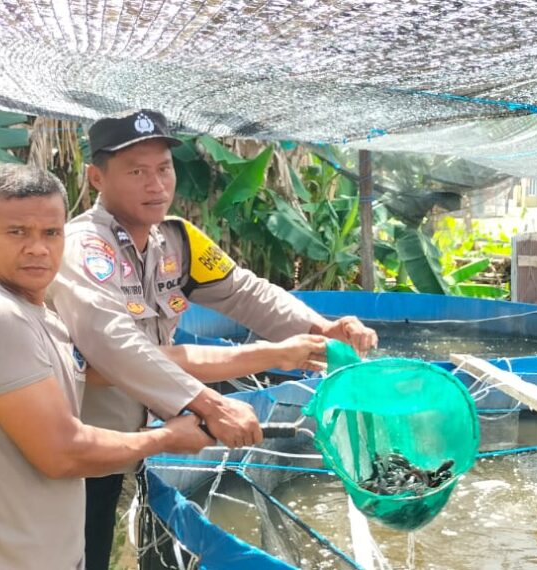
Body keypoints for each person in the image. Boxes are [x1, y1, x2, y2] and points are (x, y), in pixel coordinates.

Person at [48, 109, 378, 569]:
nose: (156, 185)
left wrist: (320, 329)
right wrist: (213, 404)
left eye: (163, 169)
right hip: (79, 454)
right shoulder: (85, 249)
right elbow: (115, 348)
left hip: (135, 448)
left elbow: (246, 292)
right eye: (137, 171)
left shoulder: (176, 241)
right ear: (97, 177)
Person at [0, 164, 212, 570]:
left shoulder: (44, 316)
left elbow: (130, 362)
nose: (38, 248)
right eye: (17, 232)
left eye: (51, 233)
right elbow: (62, 451)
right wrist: (165, 437)